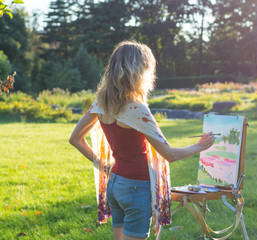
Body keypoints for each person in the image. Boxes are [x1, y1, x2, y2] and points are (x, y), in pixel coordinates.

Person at [69, 40, 215, 240]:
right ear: (139, 71)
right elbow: (169, 154)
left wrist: (103, 165)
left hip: (114, 184)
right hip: (136, 188)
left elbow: (75, 139)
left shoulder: (101, 102)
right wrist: (200, 146)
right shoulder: (137, 109)